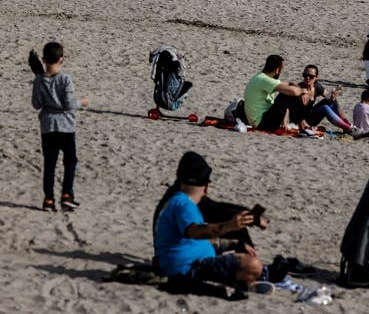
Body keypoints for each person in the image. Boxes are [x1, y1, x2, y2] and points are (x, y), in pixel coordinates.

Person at [151, 152, 266, 293]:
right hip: (188, 267)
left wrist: (235, 243)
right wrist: (230, 226)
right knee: (253, 265)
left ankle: (239, 278)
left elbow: (192, 238)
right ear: (205, 187)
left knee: (238, 244)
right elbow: (195, 231)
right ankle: (240, 280)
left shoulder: (177, 198)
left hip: (181, 260)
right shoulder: (183, 204)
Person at [32, 41, 86, 211]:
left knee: (50, 163)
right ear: (61, 59)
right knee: (70, 161)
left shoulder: (39, 80)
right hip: (66, 126)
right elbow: (69, 104)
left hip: (48, 126)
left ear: (44, 59)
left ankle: (48, 199)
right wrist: (82, 102)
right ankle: (67, 195)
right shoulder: (65, 79)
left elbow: (36, 104)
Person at [243, 55, 311, 131]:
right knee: (286, 94)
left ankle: (300, 123)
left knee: (287, 92)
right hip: (262, 123)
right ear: (277, 70)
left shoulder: (260, 77)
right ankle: (303, 125)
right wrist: (304, 91)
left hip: (262, 121)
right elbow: (293, 91)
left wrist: (301, 91)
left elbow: (289, 84)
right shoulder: (264, 80)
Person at [289, 65, 352, 132]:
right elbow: (286, 105)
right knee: (325, 108)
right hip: (299, 121)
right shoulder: (298, 89)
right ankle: (348, 128)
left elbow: (328, 97)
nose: (307, 78)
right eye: (305, 75)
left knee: (332, 100)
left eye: (311, 76)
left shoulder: (316, 86)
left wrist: (332, 96)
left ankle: (347, 123)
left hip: (310, 115)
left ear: (316, 77)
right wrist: (284, 124)